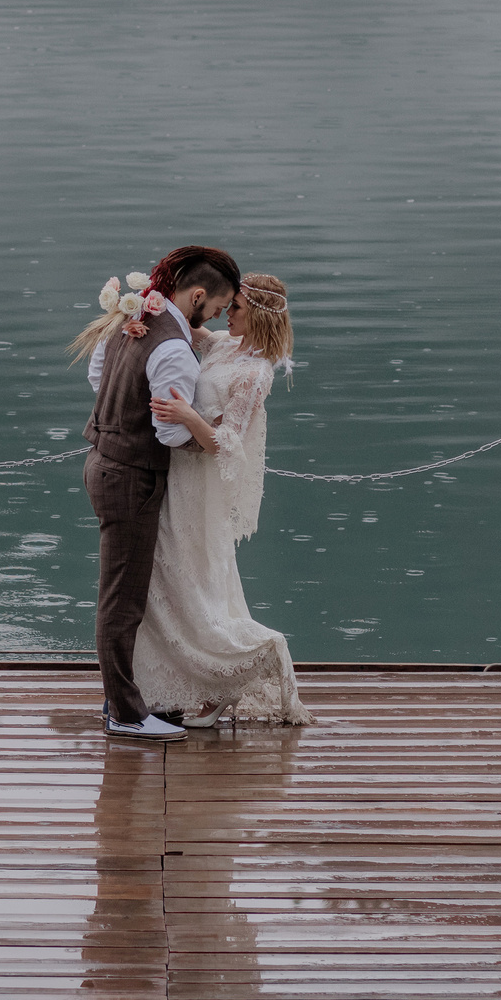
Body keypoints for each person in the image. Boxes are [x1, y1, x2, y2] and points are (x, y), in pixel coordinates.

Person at [74, 245, 239, 740]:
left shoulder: (133, 319)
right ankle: (124, 713)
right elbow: (170, 434)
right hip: (131, 478)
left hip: (102, 461)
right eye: (212, 310)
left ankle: (126, 701)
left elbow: (97, 376)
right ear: (197, 295)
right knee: (121, 601)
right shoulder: (171, 346)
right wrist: (214, 437)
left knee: (121, 596)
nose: (211, 320)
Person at [134, 273, 310, 727]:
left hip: (200, 486)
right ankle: (200, 683)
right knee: (174, 580)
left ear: (257, 316)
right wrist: (137, 312)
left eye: (235, 308)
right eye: (226, 306)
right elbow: (184, 323)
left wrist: (189, 416)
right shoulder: (225, 346)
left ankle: (241, 667)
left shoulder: (256, 373)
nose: (225, 312)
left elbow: (227, 443)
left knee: (191, 577)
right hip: (178, 475)